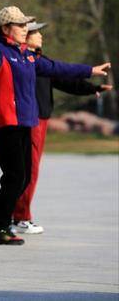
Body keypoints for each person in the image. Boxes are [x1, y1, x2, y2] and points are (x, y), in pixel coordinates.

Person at [0, 6, 110, 245]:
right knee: (15, 176)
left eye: (26, 25)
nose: (25, 29)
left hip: (26, 122)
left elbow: (56, 68)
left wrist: (89, 70)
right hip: (6, 123)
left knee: (24, 178)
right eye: (20, 25)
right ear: (6, 28)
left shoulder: (27, 54)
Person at [11, 21, 113, 234]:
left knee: (28, 170)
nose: (40, 35)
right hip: (31, 120)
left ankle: (15, 215)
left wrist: (91, 88)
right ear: (25, 36)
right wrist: (90, 72)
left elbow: (62, 79)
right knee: (30, 170)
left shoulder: (38, 60)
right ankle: (21, 218)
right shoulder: (25, 61)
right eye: (36, 32)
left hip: (40, 119)